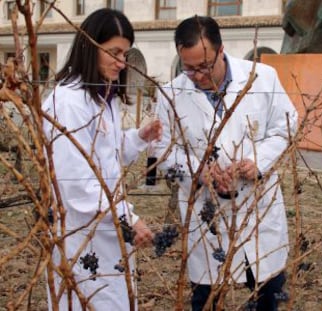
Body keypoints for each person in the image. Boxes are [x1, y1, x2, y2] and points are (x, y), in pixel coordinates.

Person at [154, 15, 297, 310]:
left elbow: (286, 128)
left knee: (266, 292)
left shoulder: (263, 78)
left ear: (221, 51)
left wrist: (257, 162)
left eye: (204, 67)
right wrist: (198, 170)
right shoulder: (171, 93)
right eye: (188, 68)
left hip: (257, 210)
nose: (197, 75)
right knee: (208, 298)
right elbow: (163, 152)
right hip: (208, 221)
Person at [42, 8, 162, 310]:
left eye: (126, 53)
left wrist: (138, 136)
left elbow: (104, 154)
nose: (122, 62)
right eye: (114, 52)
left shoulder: (100, 95)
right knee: (88, 300)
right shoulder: (67, 102)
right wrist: (129, 218)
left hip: (107, 229)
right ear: (90, 46)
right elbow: (78, 184)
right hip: (81, 234)